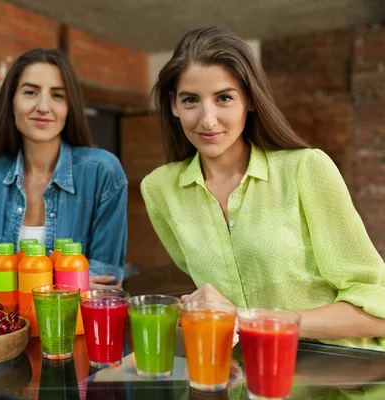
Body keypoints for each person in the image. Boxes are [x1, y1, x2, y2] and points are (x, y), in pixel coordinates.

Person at [141, 27, 385, 351]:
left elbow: (376, 308)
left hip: (338, 377)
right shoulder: (160, 190)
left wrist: (244, 318)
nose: (208, 120)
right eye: (191, 100)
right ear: (173, 105)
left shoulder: (305, 169)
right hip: (240, 378)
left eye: (224, 98)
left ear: (250, 100)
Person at [0, 48, 127, 290]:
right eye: (30, 92)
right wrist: (62, 281)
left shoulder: (103, 173)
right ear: (11, 101)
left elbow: (106, 279)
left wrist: (8, 280)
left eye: (57, 95)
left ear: (69, 107)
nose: (43, 107)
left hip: (75, 324)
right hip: (6, 326)